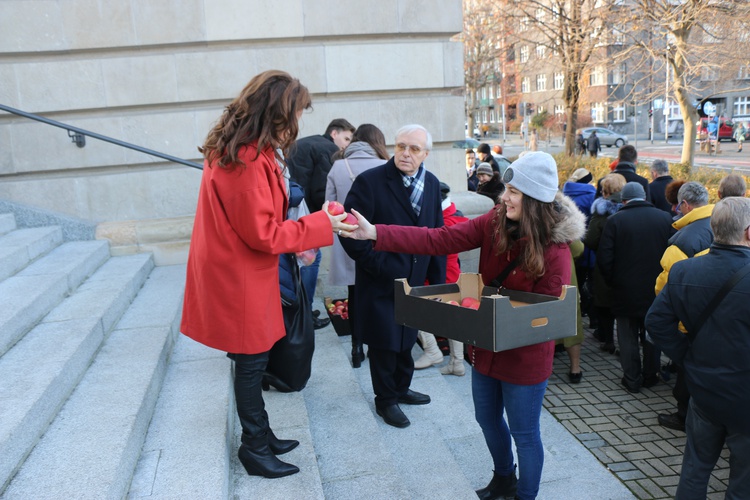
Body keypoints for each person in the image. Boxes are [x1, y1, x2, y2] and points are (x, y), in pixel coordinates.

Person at [345, 151, 585, 500]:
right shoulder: (493, 221)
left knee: (525, 433)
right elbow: (437, 239)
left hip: (525, 357)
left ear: (533, 199)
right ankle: (504, 478)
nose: (504, 197)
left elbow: (546, 316)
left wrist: (501, 319)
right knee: (487, 419)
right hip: (486, 347)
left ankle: (526, 495)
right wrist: (375, 233)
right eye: (507, 189)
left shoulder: (556, 250)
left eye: (514, 192)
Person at [180, 70, 356, 479]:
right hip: (240, 275)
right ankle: (254, 447)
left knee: (253, 360)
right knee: (251, 363)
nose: (297, 122)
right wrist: (321, 226)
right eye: (294, 112)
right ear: (276, 113)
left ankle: (263, 436)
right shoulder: (245, 158)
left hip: (241, 271)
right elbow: (263, 233)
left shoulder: (244, 150)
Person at [339, 124, 446, 430]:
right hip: (380, 279)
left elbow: (438, 236)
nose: (406, 154)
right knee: (384, 342)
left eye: (414, 149)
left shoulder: (432, 183)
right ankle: (385, 400)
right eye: (401, 146)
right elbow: (350, 232)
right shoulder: (370, 182)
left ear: (425, 154)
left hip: (415, 281)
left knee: (407, 337)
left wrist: (437, 282)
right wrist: (379, 264)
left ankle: (401, 388)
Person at [646, 197, 750, 499]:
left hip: (703, 389)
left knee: (695, 468)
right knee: (743, 480)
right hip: (744, 397)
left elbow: (656, 322)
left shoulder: (684, 271)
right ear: (747, 232)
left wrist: (685, 357)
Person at [597, 182, 674, 393]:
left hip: (624, 289)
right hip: (656, 290)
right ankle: (651, 375)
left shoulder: (615, 221)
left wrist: (613, 281)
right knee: (652, 333)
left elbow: (604, 258)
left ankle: (632, 378)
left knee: (627, 335)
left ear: (623, 200)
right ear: (644, 197)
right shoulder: (665, 218)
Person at [326, 124, 389, 368]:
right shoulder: (385, 166)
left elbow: (328, 204)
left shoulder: (338, 165)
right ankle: (377, 347)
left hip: (347, 236)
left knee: (353, 295)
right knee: (378, 294)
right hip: (378, 239)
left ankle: (356, 348)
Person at [654, 182, 714, 433]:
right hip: (718, 318)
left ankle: (684, 416)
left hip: (689, 322)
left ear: (685, 205)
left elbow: (668, 287)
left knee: (687, 373)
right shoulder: (723, 225)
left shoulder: (682, 240)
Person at [288, 118, 356, 329]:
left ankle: (301, 310)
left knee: (298, 264)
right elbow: (321, 191)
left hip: (291, 210)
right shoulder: (327, 148)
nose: (346, 145)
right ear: (333, 133)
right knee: (312, 260)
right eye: (345, 138)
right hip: (304, 213)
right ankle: (305, 314)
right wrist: (326, 220)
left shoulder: (307, 143)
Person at [412, 182, 470, 375]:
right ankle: (458, 363)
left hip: (438, 278)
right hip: (453, 275)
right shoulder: (456, 217)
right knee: (455, 319)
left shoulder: (439, 222)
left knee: (411, 309)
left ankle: (432, 351)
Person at [583, 173, 627, 353]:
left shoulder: (601, 212)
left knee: (604, 303)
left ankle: (607, 338)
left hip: (604, 263)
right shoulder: (628, 209)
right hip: (627, 265)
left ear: (605, 191)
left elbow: (591, 239)